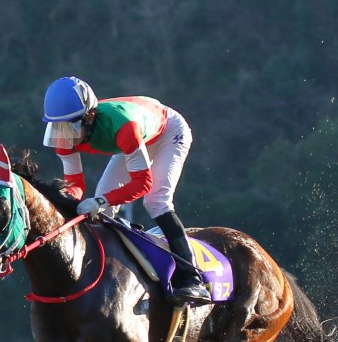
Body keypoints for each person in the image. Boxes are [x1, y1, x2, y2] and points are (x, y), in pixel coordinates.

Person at [41, 75, 212, 305]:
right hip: (137, 133)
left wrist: (100, 201)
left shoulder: (122, 127)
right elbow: (75, 185)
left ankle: (191, 277)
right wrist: (71, 204)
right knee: (102, 208)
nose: (63, 135)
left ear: (89, 116)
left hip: (168, 132)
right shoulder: (65, 136)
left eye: (68, 126)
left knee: (156, 201)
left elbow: (143, 183)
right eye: (56, 126)